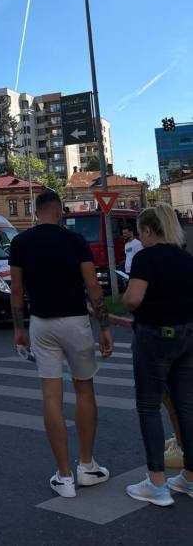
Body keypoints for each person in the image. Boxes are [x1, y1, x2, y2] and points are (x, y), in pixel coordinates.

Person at [9, 189, 113, 498]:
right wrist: (104, 327)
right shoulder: (75, 241)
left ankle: (64, 476)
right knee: (84, 389)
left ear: (36, 210)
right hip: (77, 322)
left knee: (51, 396)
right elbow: (93, 287)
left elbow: (16, 290)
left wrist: (19, 329)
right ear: (60, 211)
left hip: (42, 323)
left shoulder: (21, 242)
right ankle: (87, 465)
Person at [123, 204, 193, 506]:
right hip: (187, 335)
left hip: (154, 337)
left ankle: (157, 484)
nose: (141, 238)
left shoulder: (145, 257)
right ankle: (190, 479)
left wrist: (125, 297)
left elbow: (134, 299)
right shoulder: (185, 258)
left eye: (141, 232)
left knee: (149, 407)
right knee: (187, 408)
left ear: (149, 230)